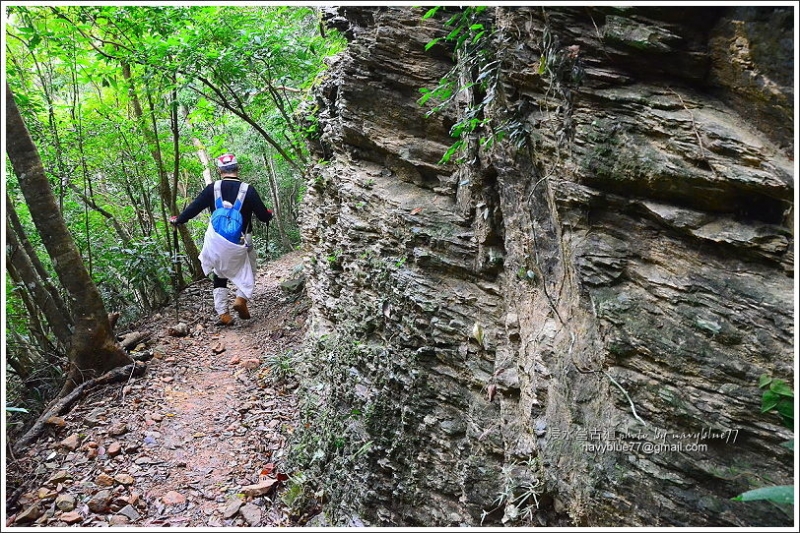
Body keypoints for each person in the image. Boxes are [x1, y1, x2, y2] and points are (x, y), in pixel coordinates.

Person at [170, 153, 273, 325]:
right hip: (242, 240)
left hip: (217, 241)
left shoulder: (213, 188)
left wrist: (178, 219)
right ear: (237, 169)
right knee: (249, 268)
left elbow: (194, 208)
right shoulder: (248, 189)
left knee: (219, 273)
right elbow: (263, 216)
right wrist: (269, 215)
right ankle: (241, 299)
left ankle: (223, 313)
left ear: (219, 171)